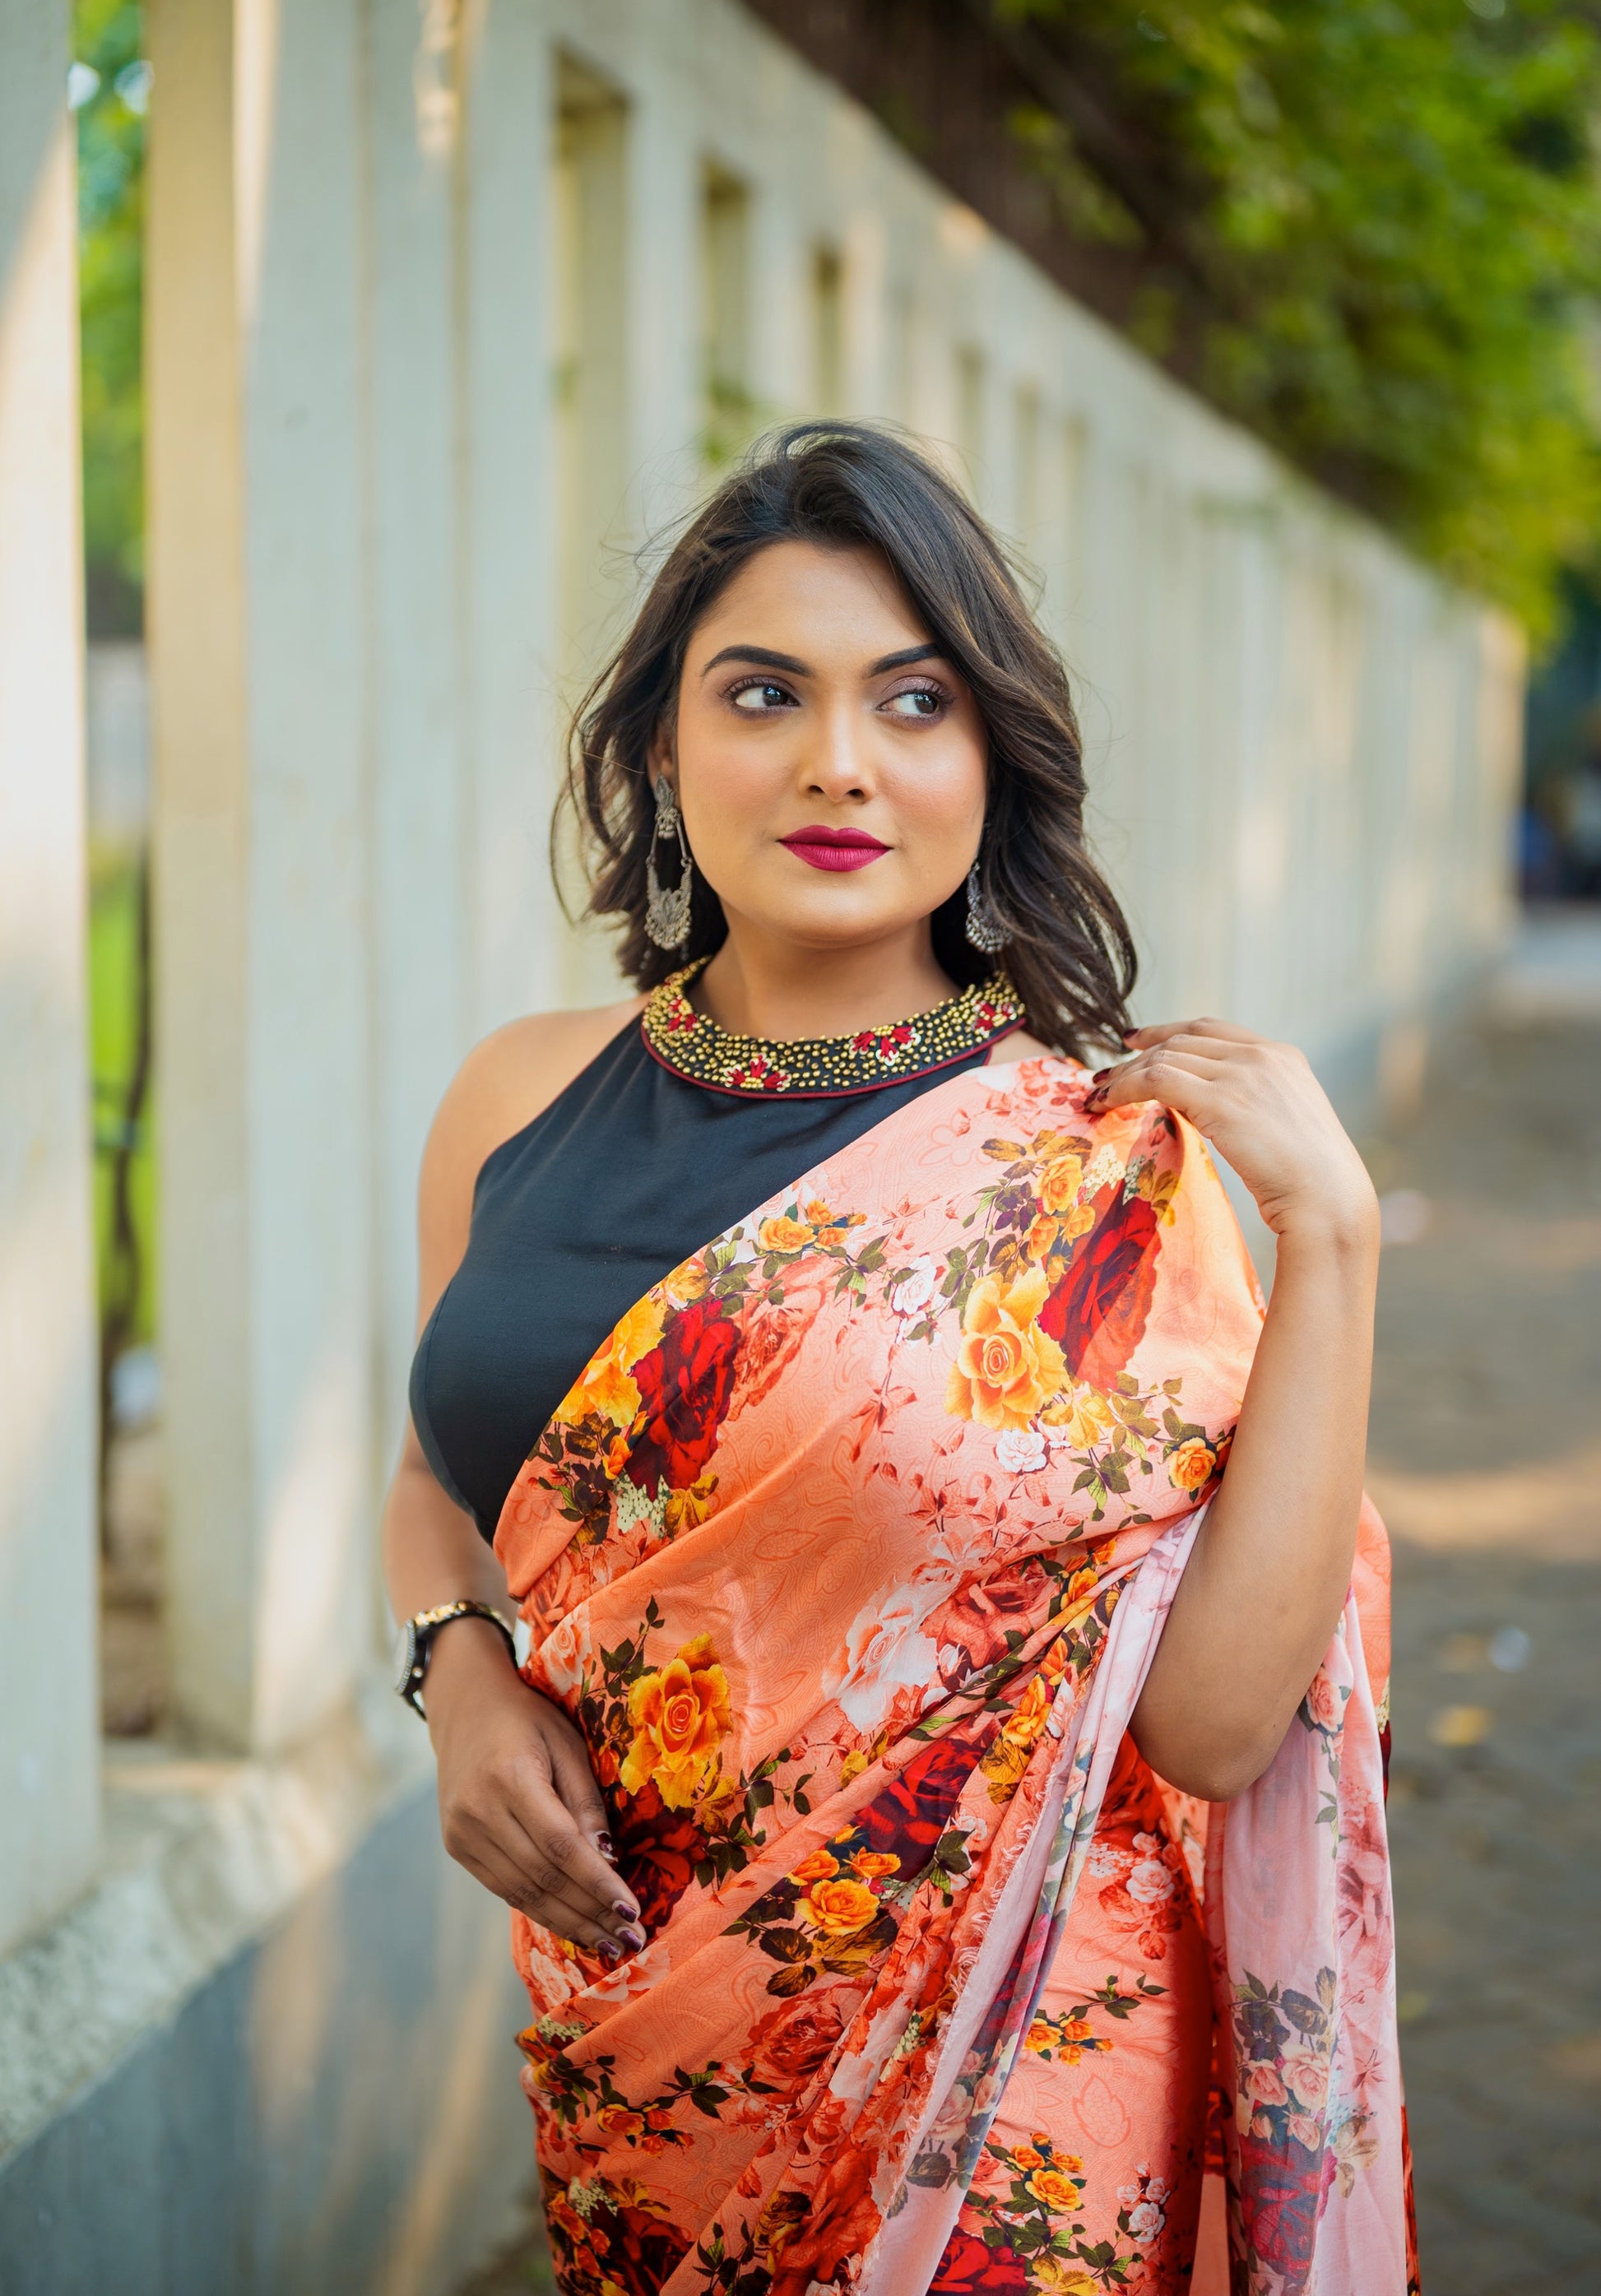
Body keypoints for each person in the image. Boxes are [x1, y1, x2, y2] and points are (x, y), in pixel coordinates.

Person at [383, 424, 1415, 2295]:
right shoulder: (517, 1098)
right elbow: (433, 1485)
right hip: (645, 2032)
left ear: (986, 760)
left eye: (912, 700)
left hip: (1014, 2032)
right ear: (660, 748)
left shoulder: (1095, 1174)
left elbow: (1210, 1726)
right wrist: (454, 1664)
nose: (834, 760)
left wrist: (1331, 1239)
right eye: (762, 691)